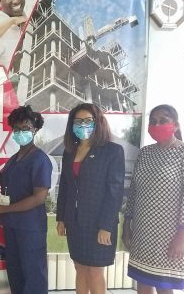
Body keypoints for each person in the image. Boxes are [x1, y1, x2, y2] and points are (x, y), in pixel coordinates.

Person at [122, 104, 184, 293]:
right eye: (153, 121)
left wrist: (182, 236)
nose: (157, 125)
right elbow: (134, 191)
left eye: (163, 120)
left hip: (169, 235)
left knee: (164, 286)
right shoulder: (145, 153)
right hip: (142, 231)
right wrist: (126, 224)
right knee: (142, 282)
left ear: (176, 125)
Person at [56, 103, 125, 294]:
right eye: (77, 121)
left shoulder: (112, 151)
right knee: (79, 267)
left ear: (98, 123)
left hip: (98, 224)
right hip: (74, 222)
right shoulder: (69, 152)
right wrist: (61, 218)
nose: (82, 125)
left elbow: (115, 192)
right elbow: (65, 187)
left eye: (87, 120)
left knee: (95, 271)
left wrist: (106, 226)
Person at [0, 105, 52, 294]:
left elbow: (39, 197)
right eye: (16, 129)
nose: (20, 132)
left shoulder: (40, 159)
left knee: (33, 274)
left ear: (35, 129)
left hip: (31, 226)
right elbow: (10, 184)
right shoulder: (14, 158)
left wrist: (4, 210)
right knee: (15, 272)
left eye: (26, 128)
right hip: (13, 225)